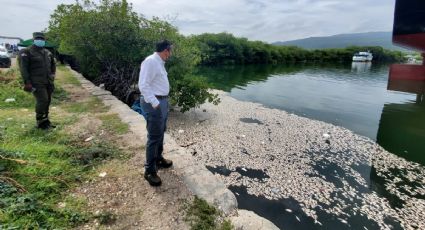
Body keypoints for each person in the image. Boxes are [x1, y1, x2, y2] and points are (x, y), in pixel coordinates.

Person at [138, 40, 173, 186]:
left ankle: (158, 158)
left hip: (161, 102)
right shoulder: (151, 61)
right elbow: (143, 85)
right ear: (166, 50)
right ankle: (149, 171)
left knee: (160, 132)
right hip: (155, 103)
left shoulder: (159, 63)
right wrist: (155, 103)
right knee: (153, 136)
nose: (170, 54)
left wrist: (162, 102)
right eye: (170, 51)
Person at [18, 32, 56, 130]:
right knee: (42, 100)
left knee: (48, 101)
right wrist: (27, 82)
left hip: (48, 81)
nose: (40, 40)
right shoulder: (26, 51)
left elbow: (53, 65)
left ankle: (46, 121)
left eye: (42, 39)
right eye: (38, 38)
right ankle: (40, 122)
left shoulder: (47, 52)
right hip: (36, 82)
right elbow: (23, 68)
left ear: (44, 40)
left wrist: (52, 75)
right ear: (34, 39)